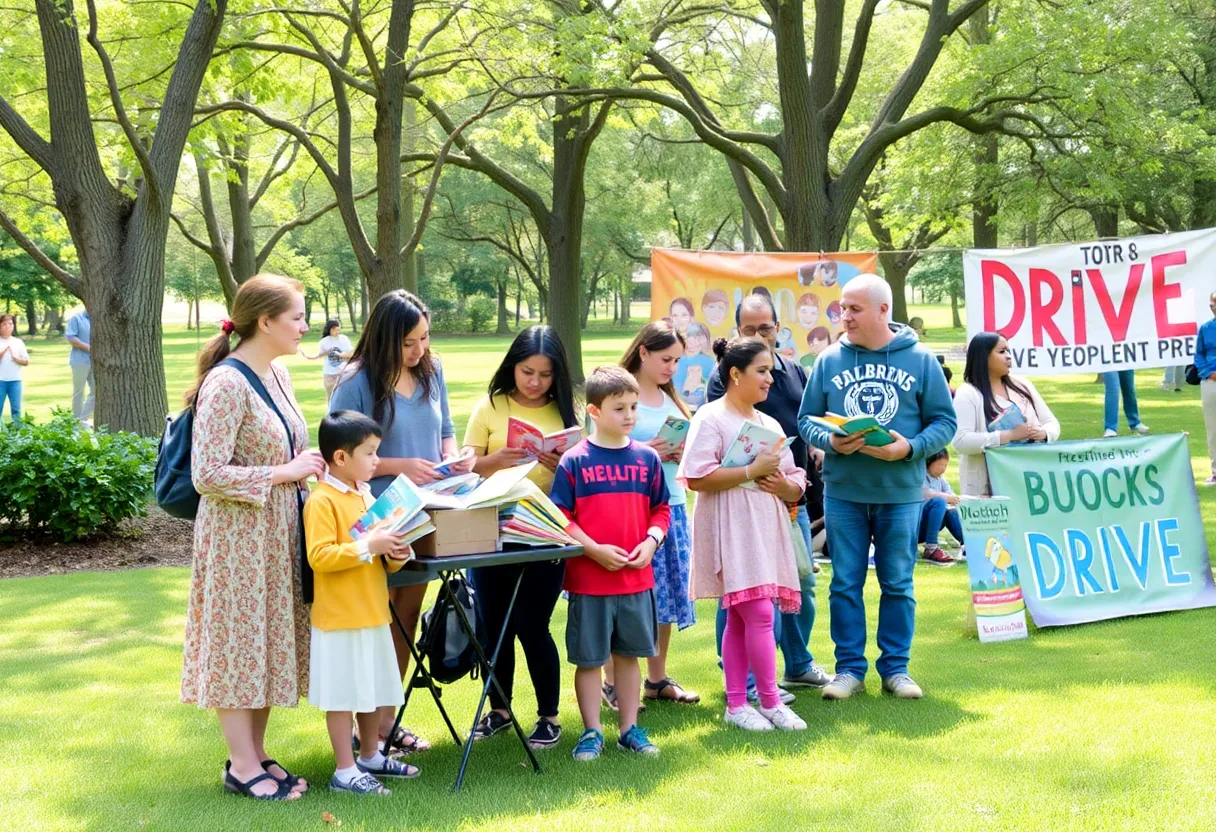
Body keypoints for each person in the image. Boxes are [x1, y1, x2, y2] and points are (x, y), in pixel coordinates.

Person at [181, 274, 325, 801]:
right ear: (265, 322)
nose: (305, 326)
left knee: (265, 641)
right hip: (238, 540)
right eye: (297, 317)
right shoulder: (226, 382)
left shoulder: (278, 375)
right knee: (238, 643)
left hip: (277, 532)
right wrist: (286, 473)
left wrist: (306, 471)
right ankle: (242, 765)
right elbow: (207, 473)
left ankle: (257, 753)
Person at [798, 274, 956, 702]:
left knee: (898, 583)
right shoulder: (829, 359)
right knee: (844, 583)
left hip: (901, 492)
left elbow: (946, 423)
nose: (843, 316)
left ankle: (896, 670)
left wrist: (910, 448)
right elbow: (806, 418)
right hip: (844, 490)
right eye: (842, 309)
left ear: (883, 311)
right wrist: (830, 441)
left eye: (853, 309)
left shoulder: (920, 359)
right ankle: (849, 670)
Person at [329, 289, 474, 756]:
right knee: (375, 617)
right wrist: (401, 465)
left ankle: (387, 722)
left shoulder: (433, 372)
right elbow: (342, 455)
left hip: (432, 508)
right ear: (386, 339)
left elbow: (446, 431)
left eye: (425, 339)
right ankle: (363, 726)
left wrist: (455, 459)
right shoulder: (356, 382)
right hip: (379, 512)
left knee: (407, 616)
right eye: (410, 342)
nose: (420, 351)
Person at [462, 326, 579, 749]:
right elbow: (465, 465)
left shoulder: (565, 410)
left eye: (545, 375)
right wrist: (494, 460)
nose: (535, 382)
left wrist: (561, 460)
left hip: (545, 529)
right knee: (493, 625)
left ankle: (548, 715)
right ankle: (499, 710)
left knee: (533, 624)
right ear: (513, 365)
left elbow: (580, 470)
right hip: (491, 526)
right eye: (527, 371)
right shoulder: (492, 406)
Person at [682, 336, 808, 731]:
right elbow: (698, 477)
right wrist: (751, 472)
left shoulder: (767, 423)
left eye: (771, 370)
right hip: (731, 527)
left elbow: (794, 480)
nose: (770, 379)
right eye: (762, 371)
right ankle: (769, 700)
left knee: (741, 619)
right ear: (736, 374)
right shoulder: (710, 417)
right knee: (758, 614)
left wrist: (787, 487)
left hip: (765, 527)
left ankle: (737, 705)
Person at [707, 293, 828, 693]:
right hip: (744, 501)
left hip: (790, 496)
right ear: (738, 332)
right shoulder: (723, 376)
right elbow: (717, 448)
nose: (760, 335)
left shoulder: (794, 371)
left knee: (800, 582)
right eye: (750, 329)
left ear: (778, 327)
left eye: (766, 328)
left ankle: (798, 662)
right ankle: (739, 676)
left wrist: (813, 446)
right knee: (743, 592)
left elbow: (810, 419)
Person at [550, 366, 670, 761]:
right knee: (589, 659)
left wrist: (652, 543)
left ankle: (629, 729)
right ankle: (591, 731)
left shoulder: (648, 459)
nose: (630, 415)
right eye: (620, 408)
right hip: (589, 581)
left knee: (629, 656)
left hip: (637, 579)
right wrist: (593, 549)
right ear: (595, 411)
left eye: (634, 406)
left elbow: (661, 510)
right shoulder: (574, 461)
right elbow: (561, 516)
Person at [304, 411, 417, 794]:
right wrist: (369, 545)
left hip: (372, 611)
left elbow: (385, 559)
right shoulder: (322, 501)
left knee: (371, 688)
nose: (376, 461)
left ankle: (370, 755)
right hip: (339, 618)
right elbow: (320, 556)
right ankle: (344, 769)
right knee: (343, 695)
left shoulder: (366, 495)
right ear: (340, 457)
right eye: (369, 453)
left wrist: (397, 549)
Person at [601, 321, 699, 708]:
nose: (671, 367)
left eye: (677, 360)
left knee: (666, 597)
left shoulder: (672, 398)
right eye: (665, 359)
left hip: (671, 503)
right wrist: (644, 450)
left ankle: (657, 679)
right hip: (627, 510)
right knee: (623, 596)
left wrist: (682, 452)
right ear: (642, 352)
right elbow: (599, 445)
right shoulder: (618, 393)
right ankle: (612, 683)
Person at [952, 332, 1060, 498]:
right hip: (988, 491)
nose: (1009, 357)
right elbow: (961, 441)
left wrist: (1043, 434)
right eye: (1002, 352)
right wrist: (1007, 436)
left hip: (1032, 482)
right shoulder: (968, 394)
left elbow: (1051, 422)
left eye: (1009, 351)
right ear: (983, 356)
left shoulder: (1022, 384)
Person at [919, 449, 962, 565]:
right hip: (917, 525)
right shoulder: (921, 476)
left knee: (951, 511)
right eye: (939, 465)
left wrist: (954, 498)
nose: (943, 468)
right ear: (929, 463)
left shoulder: (941, 480)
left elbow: (950, 494)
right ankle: (931, 548)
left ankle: (966, 545)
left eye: (945, 465)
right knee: (939, 502)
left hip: (932, 526)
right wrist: (946, 497)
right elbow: (925, 493)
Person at [1193, 291, 1216, 485]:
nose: (1214, 308)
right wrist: (1210, 372)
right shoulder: (1206, 328)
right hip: (1211, 382)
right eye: (1212, 305)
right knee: (1213, 428)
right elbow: (1199, 356)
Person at [299, 320, 353, 401]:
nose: (337, 332)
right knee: (331, 397)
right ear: (330, 330)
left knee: (344, 397)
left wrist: (340, 355)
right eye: (335, 330)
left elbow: (351, 354)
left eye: (338, 329)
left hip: (343, 372)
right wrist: (307, 356)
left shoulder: (344, 339)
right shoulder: (324, 341)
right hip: (329, 374)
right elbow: (320, 355)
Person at [65, 307, 94, 423]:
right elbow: (71, 338)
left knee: (97, 391)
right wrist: (90, 349)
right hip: (80, 361)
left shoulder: (99, 318)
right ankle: (76, 420)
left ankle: (83, 418)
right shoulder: (76, 318)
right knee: (79, 391)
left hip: (96, 361)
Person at [1102, 369, 1150, 437]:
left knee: (1129, 388)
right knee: (1113, 390)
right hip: (1109, 363)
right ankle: (1110, 428)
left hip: (1125, 361)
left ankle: (1135, 422)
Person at [0, 314, 30, 422]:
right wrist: (2, 352)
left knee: (16, 409)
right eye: (4, 324)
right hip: (0, 380)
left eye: (10, 324)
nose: (8, 326)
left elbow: (26, 361)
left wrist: (16, 359)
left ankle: (17, 434)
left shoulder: (18, 342)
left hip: (15, 380)